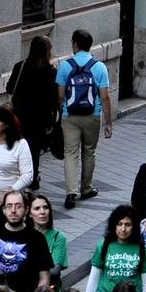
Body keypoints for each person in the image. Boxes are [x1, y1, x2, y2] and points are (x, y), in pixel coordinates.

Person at [55, 29, 114, 209]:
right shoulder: (99, 67)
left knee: (70, 154)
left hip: (70, 116)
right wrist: (108, 122)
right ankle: (86, 188)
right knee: (89, 151)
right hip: (92, 116)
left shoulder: (65, 66)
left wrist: (63, 112)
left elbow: (60, 95)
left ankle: (70, 192)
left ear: (74, 44)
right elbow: (104, 97)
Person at [8, 36, 58, 188]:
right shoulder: (51, 71)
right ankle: (33, 177)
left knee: (18, 146)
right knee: (34, 150)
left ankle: (19, 176)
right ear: (47, 51)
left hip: (20, 115)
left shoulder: (20, 66)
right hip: (40, 118)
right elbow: (54, 97)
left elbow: (10, 88)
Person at [0, 190, 55, 292]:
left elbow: (44, 278)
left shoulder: (37, 238)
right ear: (4, 210)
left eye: (18, 206)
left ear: (26, 210)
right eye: (9, 206)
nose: (13, 210)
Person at [83, 205, 146, 292]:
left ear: (134, 226)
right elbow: (94, 277)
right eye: (119, 224)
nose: (123, 229)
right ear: (113, 225)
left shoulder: (142, 250)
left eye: (128, 224)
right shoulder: (103, 246)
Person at [29, 193, 67, 288]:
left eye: (45, 207)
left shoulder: (58, 237)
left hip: (50, 289)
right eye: (37, 208)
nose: (43, 212)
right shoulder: (24, 234)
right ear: (29, 213)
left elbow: (54, 270)